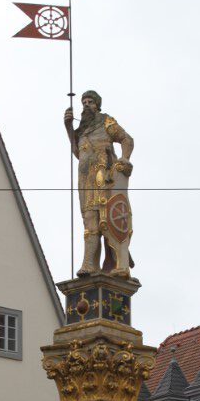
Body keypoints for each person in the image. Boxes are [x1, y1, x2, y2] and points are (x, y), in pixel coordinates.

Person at [64, 90, 134, 277]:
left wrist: (124, 159)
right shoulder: (82, 130)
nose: (86, 105)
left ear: (97, 105)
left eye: (90, 102)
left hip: (104, 177)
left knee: (106, 219)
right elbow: (78, 153)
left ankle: (119, 262)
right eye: (84, 102)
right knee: (89, 221)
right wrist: (69, 128)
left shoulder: (105, 121)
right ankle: (89, 265)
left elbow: (126, 139)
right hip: (86, 180)